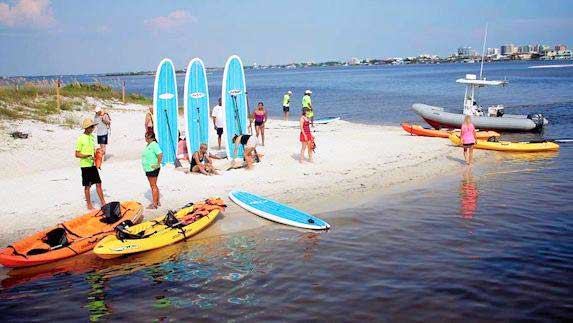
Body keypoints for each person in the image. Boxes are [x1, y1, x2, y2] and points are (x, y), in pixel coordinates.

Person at [75, 118, 106, 210]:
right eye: (92, 127)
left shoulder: (92, 137)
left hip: (93, 165)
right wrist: (87, 156)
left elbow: (93, 150)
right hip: (85, 166)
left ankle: (103, 203)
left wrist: (99, 153)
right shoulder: (81, 138)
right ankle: (89, 205)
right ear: (87, 127)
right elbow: (77, 154)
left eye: (93, 127)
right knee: (87, 186)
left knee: (98, 183)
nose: (93, 128)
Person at [141, 132, 163, 209]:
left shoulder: (154, 144)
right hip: (149, 168)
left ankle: (154, 204)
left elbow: (160, 154)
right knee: (154, 185)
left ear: (152, 138)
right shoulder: (150, 144)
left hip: (152, 168)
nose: (146, 139)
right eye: (145, 137)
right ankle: (157, 201)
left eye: (147, 138)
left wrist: (158, 163)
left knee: (153, 186)